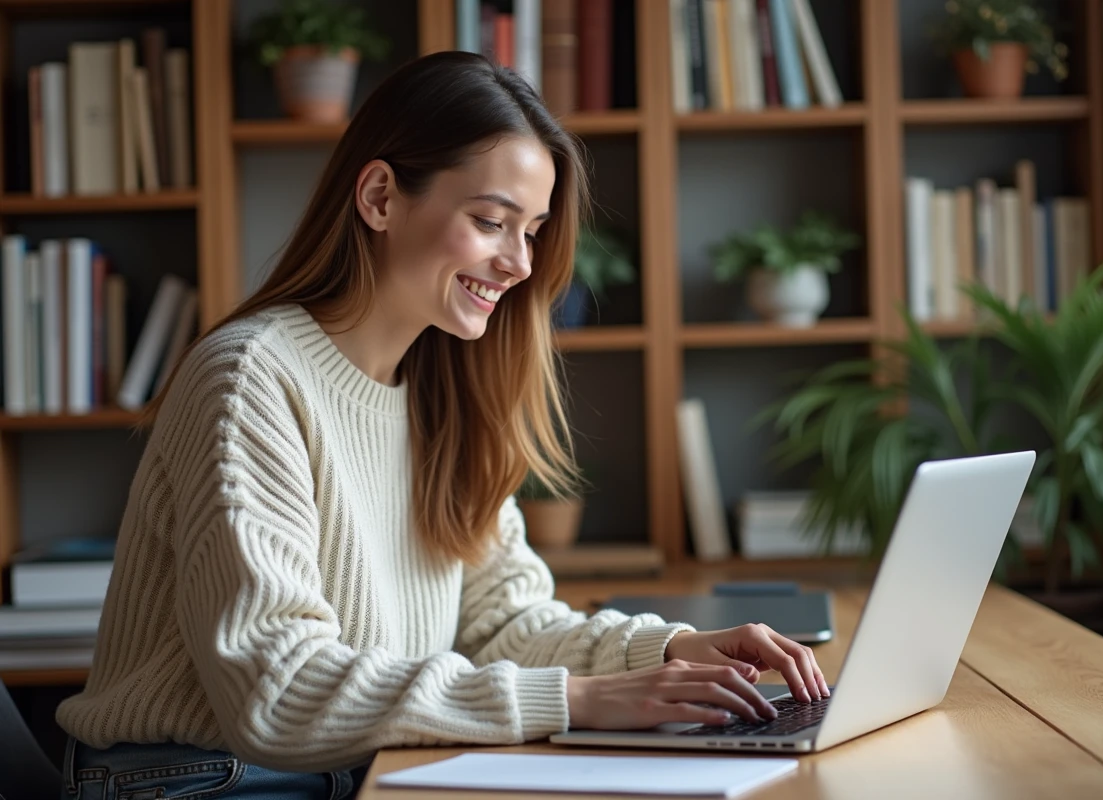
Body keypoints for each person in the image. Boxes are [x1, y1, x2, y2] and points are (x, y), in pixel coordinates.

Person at [56, 51, 828, 799]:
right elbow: (279, 691)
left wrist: (673, 650)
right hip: (198, 779)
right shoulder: (251, 377)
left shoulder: (444, 388)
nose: (521, 264)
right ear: (381, 198)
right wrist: (581, 700)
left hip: (361, 767)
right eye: (492, 221)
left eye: (530, 231)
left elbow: (503, 623)